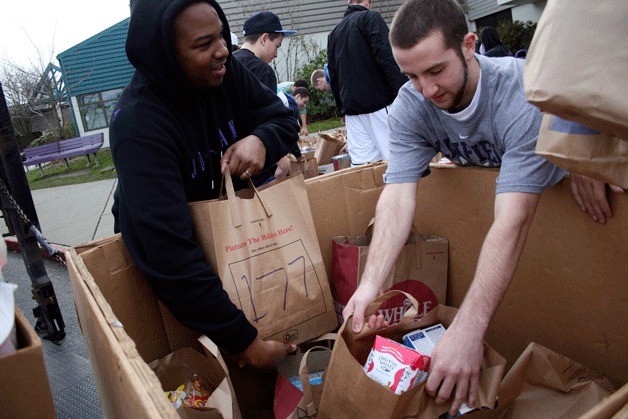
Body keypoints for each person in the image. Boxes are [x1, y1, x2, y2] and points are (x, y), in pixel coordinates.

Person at [342, 0, 619, 415]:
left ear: (469, 45)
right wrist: (370, 283)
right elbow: (398, 196)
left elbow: (512, 221)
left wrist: (469, 330)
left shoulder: (520, 97)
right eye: (412, 75)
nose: (427, 90)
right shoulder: (410, 104)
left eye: (436, 71)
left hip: (571, 245)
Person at [109, 0, 299, 369]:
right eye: (203, 44)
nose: (222, 51)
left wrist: (262, 139)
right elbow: (170, 257)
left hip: (232, 241)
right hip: (175, 279)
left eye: (222, 36)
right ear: (165, 53)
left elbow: (282, 119)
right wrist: (246, 343)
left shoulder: (228, 75)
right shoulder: (138, 127)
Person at [327, 0, 408, 165]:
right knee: (399, 163)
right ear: (368, 2)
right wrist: (404, 93)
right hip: (379, 103)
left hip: (352, 111)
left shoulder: (334, 34)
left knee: (364, 169)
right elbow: (387, 58)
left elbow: (334, 75)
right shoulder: (370, 18)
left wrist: (341, 108)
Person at [233, 11, 296, 93]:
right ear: (264, 38)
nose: (276, 54)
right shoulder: (263, 71)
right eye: (276, 46)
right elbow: (268, 106)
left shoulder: (227, 63)